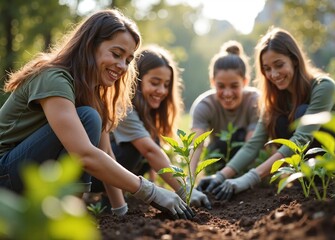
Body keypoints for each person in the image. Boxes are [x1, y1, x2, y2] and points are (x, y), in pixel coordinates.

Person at [0, 9, 194, 220]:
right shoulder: (53, 77)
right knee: (88, 118)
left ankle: (65, 216)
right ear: (90, 45)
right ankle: (64, 216)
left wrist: (122, 212)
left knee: (90, 116)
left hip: (24, 173)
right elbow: (84, 154)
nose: (122, 66)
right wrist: (151, 192)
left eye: (128, 60)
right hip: (5, 173)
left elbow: (105, 152)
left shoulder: (91, 93)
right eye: (116, 54)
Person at [197, 27, 335, 200]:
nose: (273, 74)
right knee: (278, 121)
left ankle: (329, 182)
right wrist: (221, 176)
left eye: (279, 65)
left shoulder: (323, 86)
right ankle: (309, 181)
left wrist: (249, 178)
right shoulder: (274, 99)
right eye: (267, 68)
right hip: (312, 168)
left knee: (302, 113)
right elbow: (254, 144)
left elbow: (300, 139)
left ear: (295, 60)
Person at [91, 44, 211, 210]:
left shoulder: (147, 110)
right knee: (138, 147)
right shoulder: (124, 108)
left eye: (166, 84)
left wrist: (155, 183)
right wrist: (184, 191)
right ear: (136, 80)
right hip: (96, 175)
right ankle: (109, 198)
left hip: (114, 175)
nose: (161, 90)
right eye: (155, 83)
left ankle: (117, 196)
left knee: (152, 141)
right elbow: (149, 151)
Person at [189, 40, 259, 180]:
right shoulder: (204, 105)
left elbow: (251, 145)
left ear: (245, 82)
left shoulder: (255, 101)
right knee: (220, 145)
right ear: (212, 81)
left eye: (234, 86)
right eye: (221, 86)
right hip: (217, 158)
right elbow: (197, 146)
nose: (227, 93)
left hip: (248, 160)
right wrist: (189, 180)